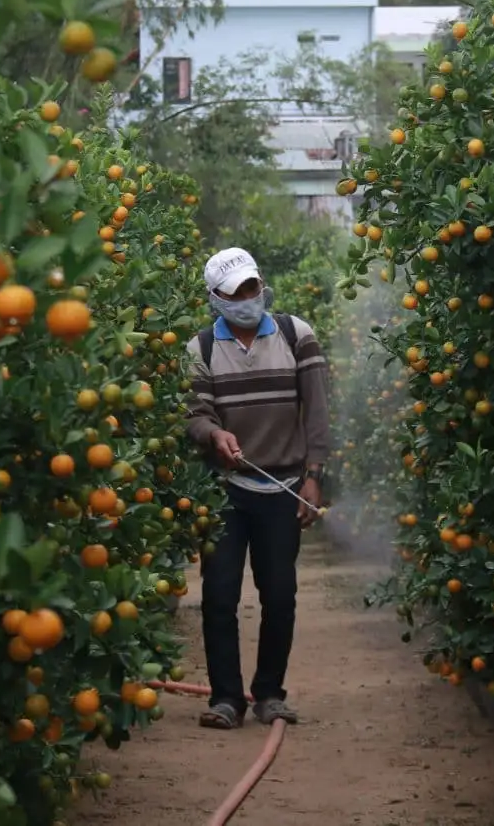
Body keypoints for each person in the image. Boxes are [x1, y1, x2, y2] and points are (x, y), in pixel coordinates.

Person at [184, 246, 331, 730]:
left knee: (280, 594)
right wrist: (213, 434)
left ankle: (270, 693)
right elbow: (197, 414)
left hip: (283, 485)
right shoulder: (201, 349)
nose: (249, 298)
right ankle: (227, 699)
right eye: (236, 293)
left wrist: (313, 475)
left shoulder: (296, 335)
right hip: (226, 487)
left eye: (253, 287)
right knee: (220, 595)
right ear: (216, 299)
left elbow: (316, 411)